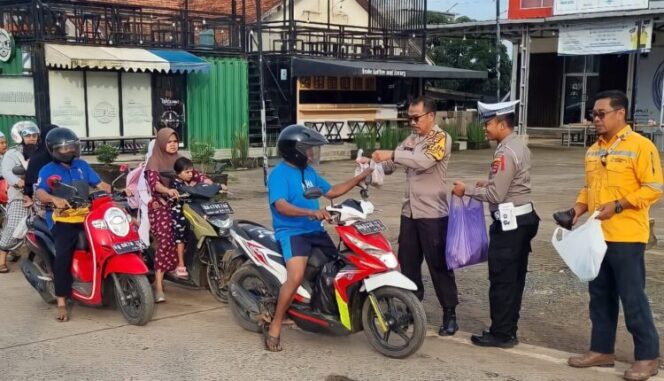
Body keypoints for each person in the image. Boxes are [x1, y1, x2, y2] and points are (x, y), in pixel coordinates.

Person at [564, 91, 662, 381]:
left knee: (633, 298)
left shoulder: (641, 147)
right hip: (597, 235)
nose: (595, 119)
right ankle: (602, 350)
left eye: (601, 113)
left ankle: (647, 357)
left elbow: (654, 188)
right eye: (593, 114)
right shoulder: (594, 150)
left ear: (621, 113)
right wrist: (576, 209)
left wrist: (619, 205)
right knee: (600, 296)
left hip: (627, 235)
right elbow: (589, 187)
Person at [265, 124, 372, 352]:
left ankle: (324, 310)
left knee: (339, 265)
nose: (312, 154)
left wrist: (359, 178)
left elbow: (331, 191)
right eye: (309, 149)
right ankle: (276, 324)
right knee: (295, 277)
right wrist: (310, 212)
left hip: (314, 230)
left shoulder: (309, 172)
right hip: (292, 232)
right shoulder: (278, 175)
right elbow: (281, 206)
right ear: (295, 150)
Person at [452, 100, 539, 348]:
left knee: (502, 280)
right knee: (514, 278)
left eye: (488, 123)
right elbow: (511, 183)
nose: (485, 129)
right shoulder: (518, 147)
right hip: (523, 219)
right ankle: (508, 328)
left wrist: (465, 190)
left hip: (510, 224)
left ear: (502, 124)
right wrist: (486, 183)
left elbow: (496, 196)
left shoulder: (504, 153)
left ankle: (501, 333)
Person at [370, 96, 460, 336]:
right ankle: (412, 308)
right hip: (409, 212)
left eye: (416, 117)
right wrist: (373, 163)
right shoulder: (412, 139)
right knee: (408, 264)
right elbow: (392, 163)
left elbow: (422, 162)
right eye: (409, 117)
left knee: (438, 265)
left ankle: (449, 313)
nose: (412, 122)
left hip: (432, 214)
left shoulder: (440, 138)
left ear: (431, 116)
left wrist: (392, 154)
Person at [36, 127, 113, 322]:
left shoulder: (81, 165)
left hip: (85, 215)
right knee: (63, 256)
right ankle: (62, 300)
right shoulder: (48, 170)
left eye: (71, 146)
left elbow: (99, 184)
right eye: (64, 148)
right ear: (53, 149)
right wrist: (54, 199)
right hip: (62, 219)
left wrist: (119, 190)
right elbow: (41, 193)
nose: (69, 151)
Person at [144, 128, 211, 303]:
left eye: (175, 141)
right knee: (166, 240)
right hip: (161, 205)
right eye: (169, 141)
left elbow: (196, 175)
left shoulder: (180, 160)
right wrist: (167, 190)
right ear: (161, 143)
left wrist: (212, 183)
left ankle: (183, 267)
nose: (173, 145)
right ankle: (158, 284)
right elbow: (154, 184)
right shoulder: (154, 161)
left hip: (182, 203)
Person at [0, 123, 40, 273]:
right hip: (19, 197)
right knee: (14, 226)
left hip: (40, 196)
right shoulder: (13, 153)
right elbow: (7, 172)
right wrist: (19, 182)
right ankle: (1, 257)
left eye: (34, 136)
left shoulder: (42, 153)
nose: (31, 139)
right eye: (28, 136)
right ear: (20, 137)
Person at [170, 157, 198, 279]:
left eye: (191, 171)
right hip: (179, 214)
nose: (190, 174)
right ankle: (181, 264)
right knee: (180, 239)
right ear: (178, 173)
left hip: (191, 213)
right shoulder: (176, 183)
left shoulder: (189, 182)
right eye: (186, 172)